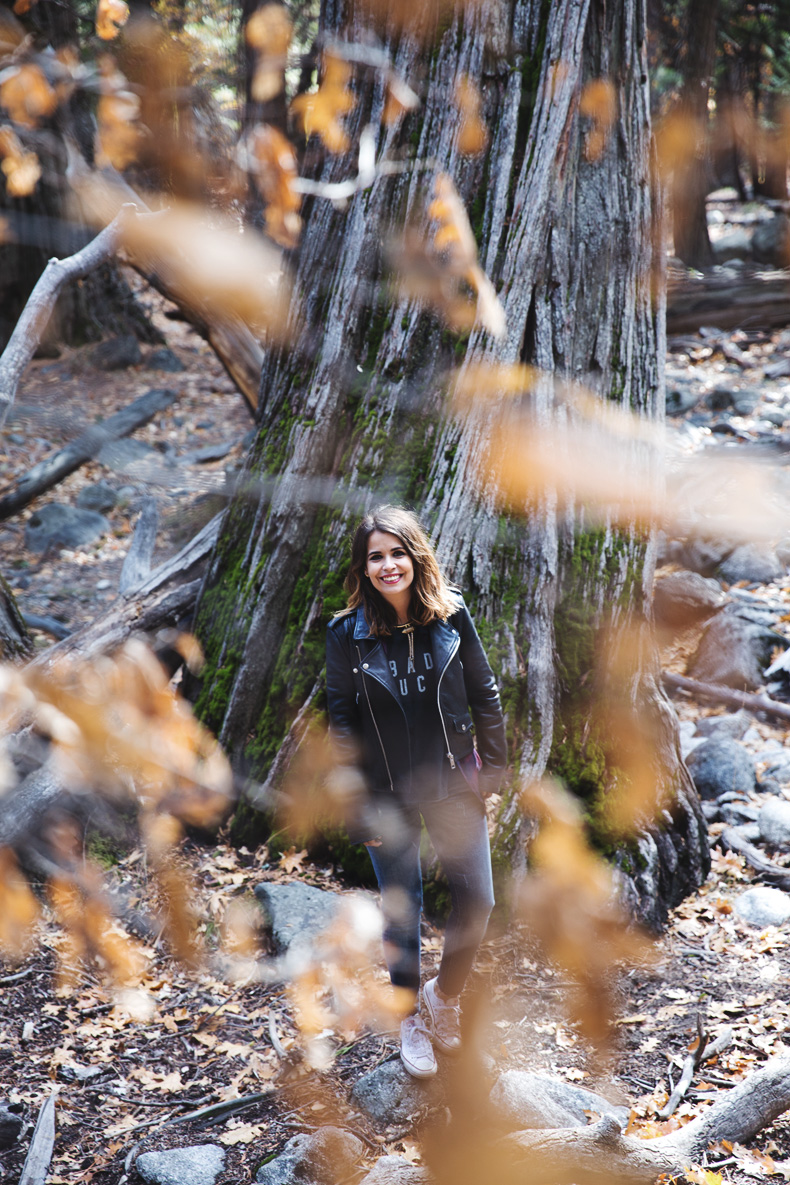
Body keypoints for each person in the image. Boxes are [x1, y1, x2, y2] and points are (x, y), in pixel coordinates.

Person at [325, 505, 507, 1078]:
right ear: (364, 568)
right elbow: (341, 726)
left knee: (478, 899)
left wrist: (493, 775)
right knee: (403, 912)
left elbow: (486, 695)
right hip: (387, 796)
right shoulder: (345, 634)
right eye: (375, 556)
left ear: (415, 556)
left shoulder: (452, 617)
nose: (387, 565)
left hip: (455, 783)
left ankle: (442, 1000)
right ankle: (408, 1016)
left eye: (397, 552)